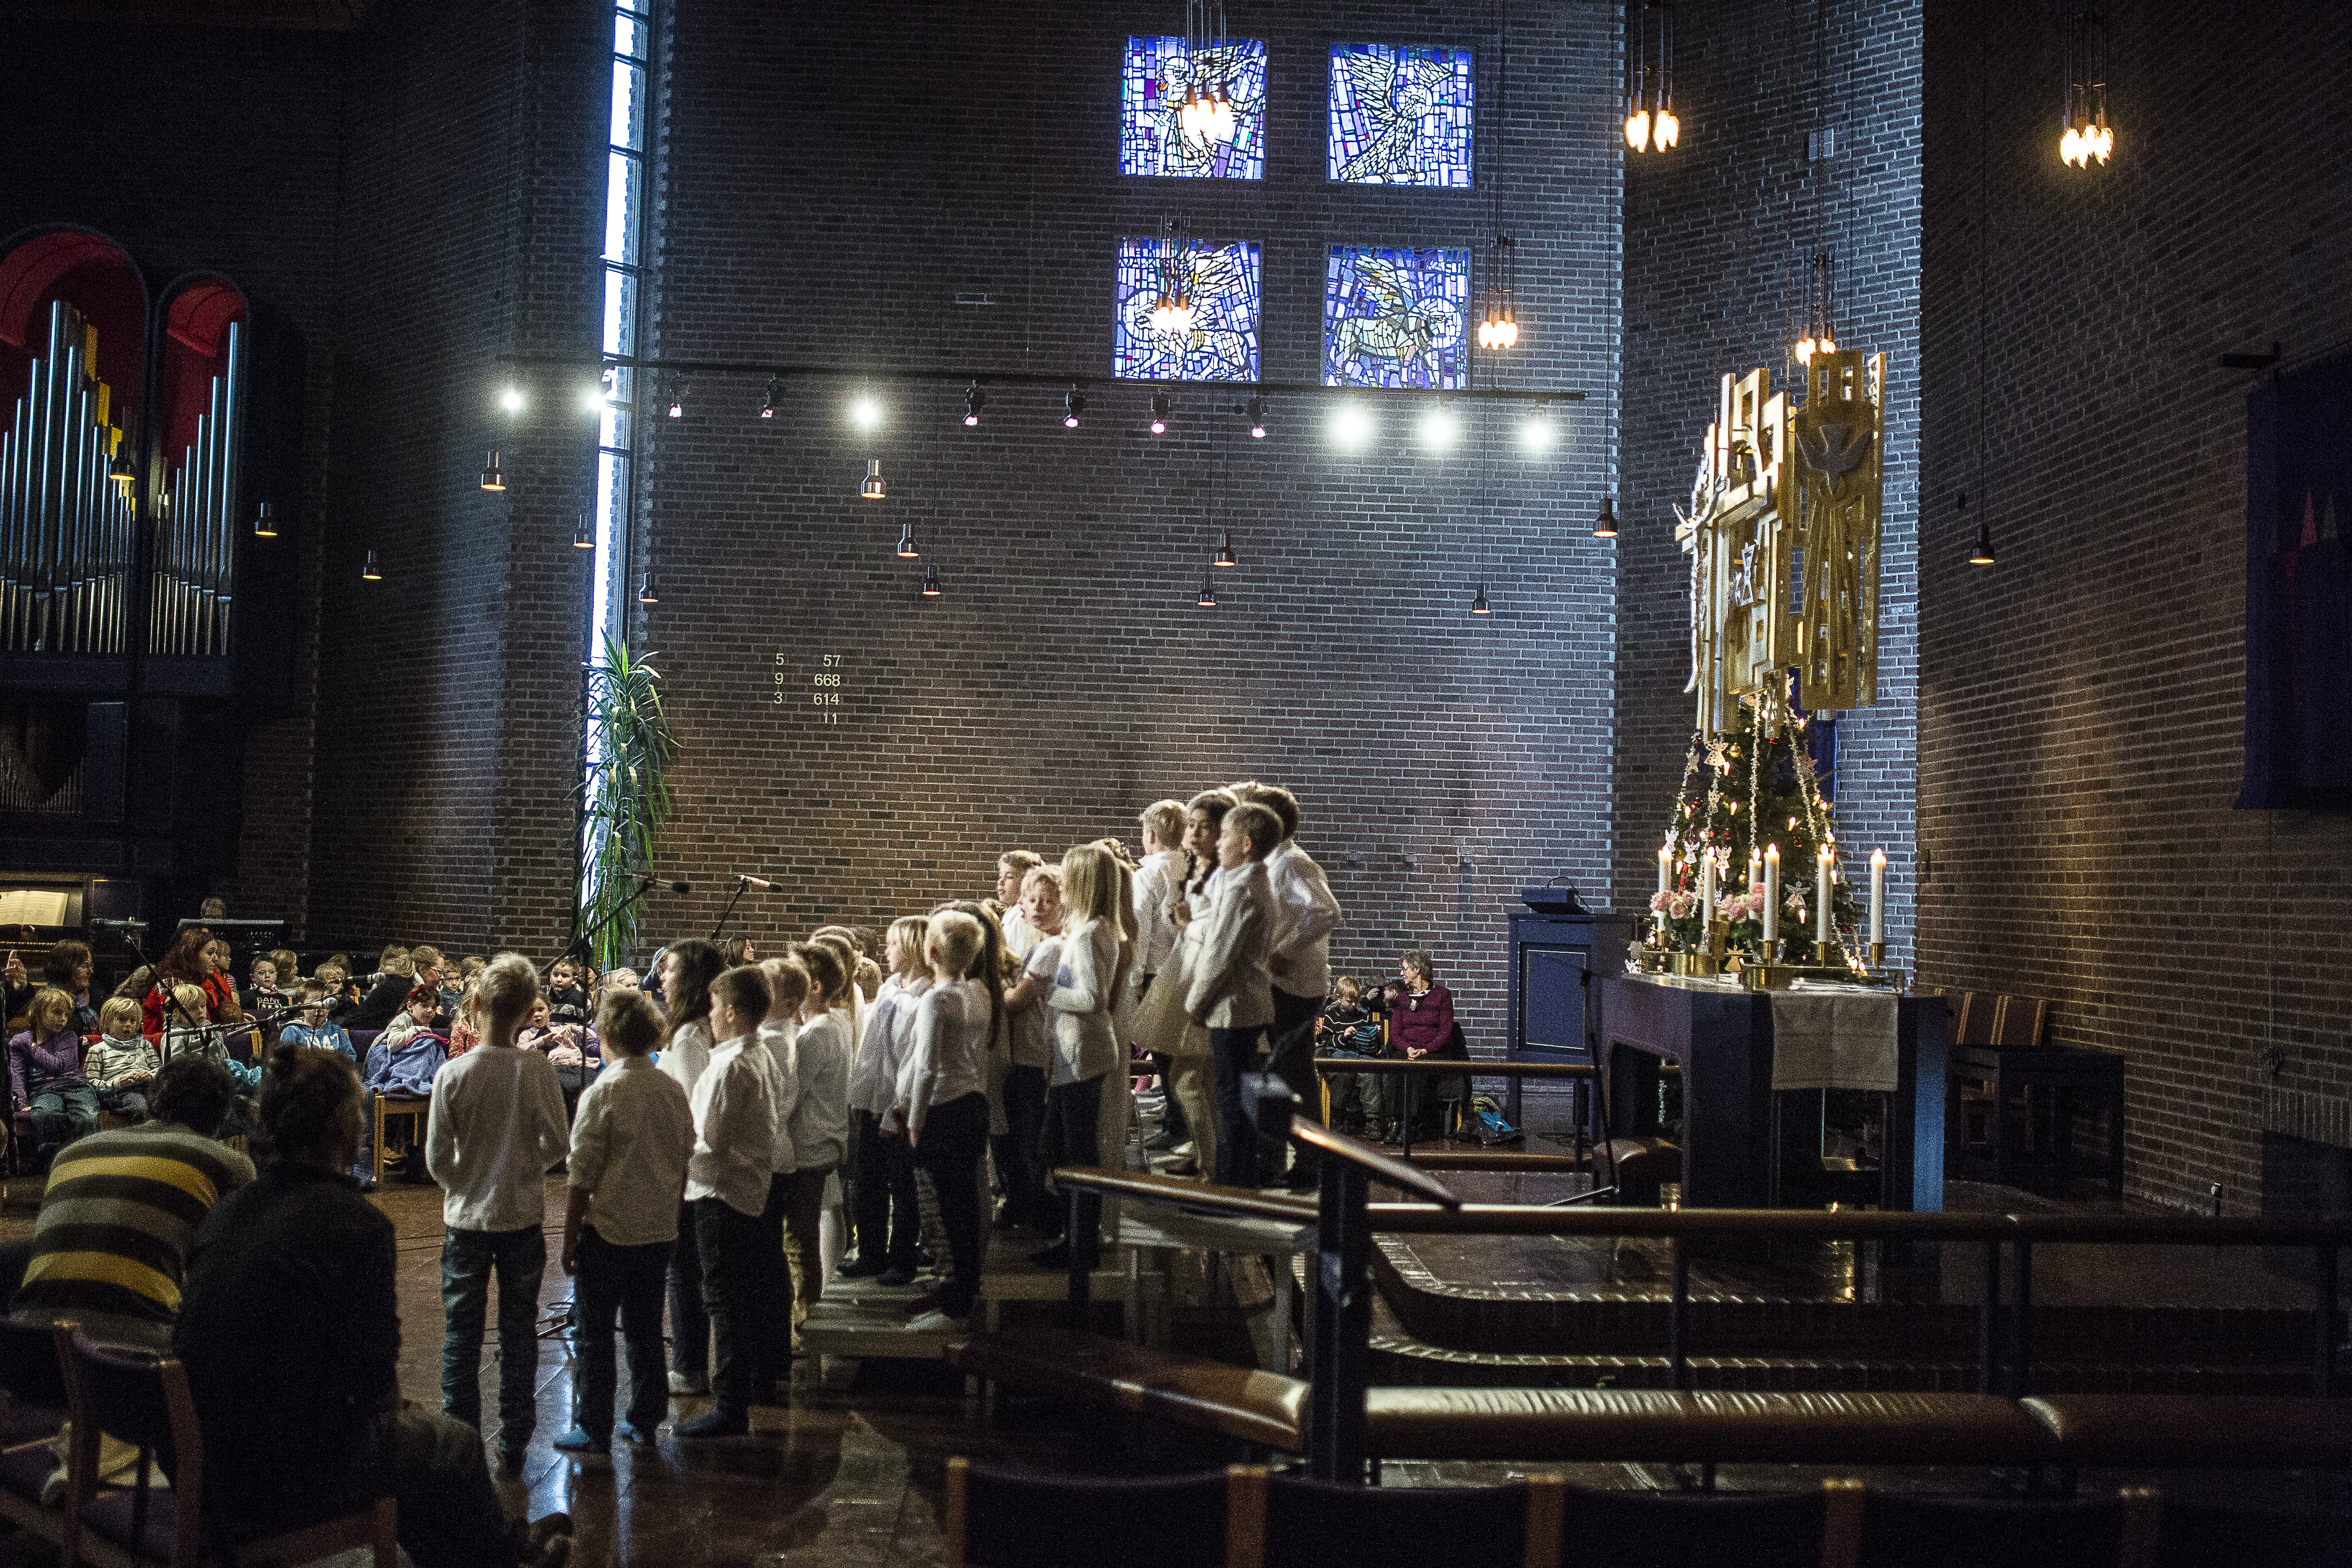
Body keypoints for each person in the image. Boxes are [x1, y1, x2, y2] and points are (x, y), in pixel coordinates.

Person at [174, 1046, 573, 1568]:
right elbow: (371, 1379)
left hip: (210, 1464)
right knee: (453, 1445)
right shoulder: (355, 1223)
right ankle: (503, 1557)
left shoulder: (229, 1209)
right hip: (278, 1477)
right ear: (345, 1126)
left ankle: (483, 1548)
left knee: (412, 1444)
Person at [424, 953, 569, 1468]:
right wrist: (527, 1168)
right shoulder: (535, 1069)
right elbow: (559, 1142)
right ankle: (514, 1442)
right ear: (530, 1011)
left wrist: (465, 1184)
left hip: (466, 1220)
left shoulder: (454, 1073)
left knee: (461, 1334)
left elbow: (436, 1158)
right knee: (518, 1329)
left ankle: (460, 1442)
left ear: (478, 1003)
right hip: (522, 1216)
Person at [12, 1054, 248, 1348]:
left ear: (152, 1102)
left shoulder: (72, 1153)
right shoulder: (227, 1164)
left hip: (28, 1344)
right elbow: (232, 1272)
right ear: (221, 1115)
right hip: (133, 1358)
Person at [555, 989, 693, 1454]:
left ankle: (593, 1425)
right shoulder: (671, 1089)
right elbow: (683, 1159)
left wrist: (570, 1237)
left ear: (607, 1036)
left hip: (607, 1231)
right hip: (657, 1231)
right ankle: (645, 1419)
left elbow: (582, 1174)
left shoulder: (604, 1092)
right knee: (645, 1331)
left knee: (593, 1334)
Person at [678, 964, 779, 1437]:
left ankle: (729, 1403)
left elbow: (709, 1139)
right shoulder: (758, 1052)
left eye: (717, 1008)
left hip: (721, 1192)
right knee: (746, 1294)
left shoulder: (730, 1064)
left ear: (734, 1012)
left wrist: (672, 1146)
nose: (711, 1016)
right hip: (748, 1189)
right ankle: (753, 1384)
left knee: (724, 1300)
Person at [887, 909, 992, 1333]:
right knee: (964, 1206)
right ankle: (962, 1291)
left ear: (930, 951)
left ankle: (956, 1304)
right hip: (972, 1105)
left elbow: (926, 1068)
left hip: (941, 1110)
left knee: (945, 1212)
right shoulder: (981, 992)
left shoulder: (937, 999)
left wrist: (914, 1121)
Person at [1035, 842, 1134, 1270]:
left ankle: (1082, 1246)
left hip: (1083, 1052)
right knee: (1058, 1150)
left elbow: (1093, 998)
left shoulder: (1094, 931)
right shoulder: (1089, 929)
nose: (1059, 883)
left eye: (1066, 877)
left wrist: (1048, 991)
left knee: (1077, 1156)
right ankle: (1073, 1237)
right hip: (1073, 1052)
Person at [1243, 784, 1343, 1187]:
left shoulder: (1293, 862)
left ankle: (1310, 1163)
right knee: (1277, 1071)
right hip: (1278, 983)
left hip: (1295, 986)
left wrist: (1285, 949)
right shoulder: (1273, 861)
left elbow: (1326, 911)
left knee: (1294, 1072)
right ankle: (1280, 1157)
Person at [1185, 801, 1282, 1188]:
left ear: (1246, 844)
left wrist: (1195, 1003)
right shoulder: (1248, 881)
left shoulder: (1244, 888)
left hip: (1232, 1006)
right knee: (1236, 1097)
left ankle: (1231, 1185)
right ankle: (1236, 1178)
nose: (1218, 844)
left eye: (1224, 835)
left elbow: (1219, 956)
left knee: (1232, 1101)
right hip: (1243, 1003)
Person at [653, 938, 725, 1397]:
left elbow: (695, 1104)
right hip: (694, 1164)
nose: (662, 977)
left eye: (671, 970)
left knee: (684, 1271)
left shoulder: (690, 1035)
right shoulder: (700, 1029)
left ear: (692, 979)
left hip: (690, 1167)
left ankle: (689, 1367)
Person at [842, 916, 929, 1286]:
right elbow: (872, 1047)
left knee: (904, 1185)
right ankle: (870, 1253)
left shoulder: (927, 994)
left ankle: (902, 1258)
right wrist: (861, 1094)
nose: (885, 952)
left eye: (893, 945)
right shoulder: (892, 987)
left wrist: (899, 1109)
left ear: (911, 949)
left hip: (901, 1103)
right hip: (877, 1096)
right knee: (868, 1181)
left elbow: (916, 1059)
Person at [783, 944, 851, 1346]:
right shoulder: (827, 1025)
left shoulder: (816, 1034)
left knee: (798, 1239)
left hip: (809, 1146)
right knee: (802, 1234)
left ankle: (804, 1324)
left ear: (816, 987)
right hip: (817, 1143)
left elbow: (791, 1095)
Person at [752, 955, 808, 1393]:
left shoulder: (771, 1039)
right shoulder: (774, 1033)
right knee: (769, 1258)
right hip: (774, 1154)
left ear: (788, 1003)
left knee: (765, 1262)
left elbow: (769, 1106)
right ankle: (773, 1354)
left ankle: (770, 1355)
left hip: (769, 1156)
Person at [995, 865, 1061, 1232]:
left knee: (1028, 1133)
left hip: (1035, 1050)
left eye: (1048, 901)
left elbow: (1016, 1002)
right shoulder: (1033, 943)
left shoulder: (1050, 947)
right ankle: (1022, 1201)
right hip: (1022, 1048)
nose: (1039, 908)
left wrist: (992, 984)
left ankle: (1035, 1207)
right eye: (1033, 900)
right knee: (1017, 1131)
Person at [1132, 800, 1189, 1151]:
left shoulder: (1149, 874)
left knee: (1166, 1052)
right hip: (1188, 968)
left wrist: (1134, 979)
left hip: (1157, 971)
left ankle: (1178, 1123)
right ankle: (1178, 1114)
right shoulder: (1192, 867)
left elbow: (1140, 927)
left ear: (1150, 834)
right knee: (1184, 1052)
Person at [11, 985, 96, 1161]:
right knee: (45, 1114)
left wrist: (34, 1049)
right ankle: (54, 1162)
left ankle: (88, 1162)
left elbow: (59, 1066)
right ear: (39, 1012)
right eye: (57, 1013)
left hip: (76, 1087)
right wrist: (21, 1103)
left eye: (66, 1014)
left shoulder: (68, 1037)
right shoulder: (20, 1042)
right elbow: (17, 1075)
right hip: (45, 1090)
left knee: (87, 1117)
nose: (63, 1019)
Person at [1317, 977, 1390, 1140]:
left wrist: (1375, 1035)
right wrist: (1343, 1037)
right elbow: (1326, 1041)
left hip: (1361, 1054)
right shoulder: (1330, 1016)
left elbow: (1373, 1046)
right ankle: (1338, 1117)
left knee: (1370, 1073)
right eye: (1350, 1001)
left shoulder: (1364, 1015)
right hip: (1340, 1052)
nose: (1353, 1005)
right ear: (1339, 997)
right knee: (1343, 1071)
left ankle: (1374, 1121)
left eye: (1356, 1001)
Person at [143, 924, 241, 1039]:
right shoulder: (172, 984)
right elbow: (177, 1030)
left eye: (216, 953)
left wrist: (238, 1021)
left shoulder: (208, 980)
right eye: (210, 953)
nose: (215, 959)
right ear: (192, 955)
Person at [519, 994, 600, 1117]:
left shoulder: (559, 1029)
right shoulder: (527, 1035)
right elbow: (523, 1050)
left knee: (591, 1083)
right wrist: (543, 1040)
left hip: (577, 1066)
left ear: (549, 1010)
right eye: (531, 1011)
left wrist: (573, 1028)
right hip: (555, 1070)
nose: (536, 1014)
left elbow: (591, 1038)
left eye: (540, 1009)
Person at [86, 995, 162, 1120]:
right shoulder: (98, 1050)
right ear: (107, 1024)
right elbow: (91, 1084)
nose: (128, 1025)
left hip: (149, 1087)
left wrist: (150, 1076)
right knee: (140, 1106)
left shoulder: (145, 1045)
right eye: (122, 1020)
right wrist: (118, 1083)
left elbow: (159, 1069)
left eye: (133, 1021)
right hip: (120, 1092)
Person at [351, 944, 445, 1032]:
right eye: (439, 972)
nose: (442, 977)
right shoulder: (402, 987)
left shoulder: (407, 984)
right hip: (362, 1036)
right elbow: (423, 1017)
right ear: (422, 969)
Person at [993, 851, 1044, 958]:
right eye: (1000, 876)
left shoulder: (1023, 917)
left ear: (1026, 881)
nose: (1001, 882)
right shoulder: (1011, 911)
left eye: (1009, 877)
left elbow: (1021, 958)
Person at [42, 940, 97, 1038]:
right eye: (84, 966)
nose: (90, 971)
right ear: (66, 967)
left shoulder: (84, 1000)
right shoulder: (51, 1003)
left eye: (91, 966)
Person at [545, 956, 590, 1025]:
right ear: (550, 977)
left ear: (574, 980)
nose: (559, 980)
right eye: (555, 975)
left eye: (565, 976)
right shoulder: (543, 998)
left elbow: (588, 1026)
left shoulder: (581, 1000)